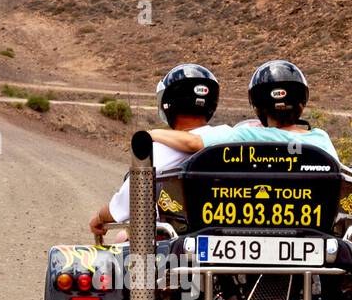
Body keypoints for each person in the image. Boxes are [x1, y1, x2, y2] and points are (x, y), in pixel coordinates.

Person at [89, 64, 230, 240]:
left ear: (168, 103)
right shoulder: (230, 137)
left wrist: (100, 217)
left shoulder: (161, 149)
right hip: (233, 233)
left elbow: (128, 202)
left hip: (178, 246)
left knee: (122, 238)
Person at [147, 59, 337, 160]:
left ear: (258, 106)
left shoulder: (246, 136)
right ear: (302, 102)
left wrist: (151, 134)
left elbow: (193, 143)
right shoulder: (320, 139)